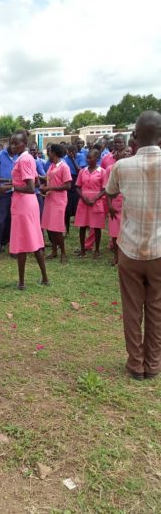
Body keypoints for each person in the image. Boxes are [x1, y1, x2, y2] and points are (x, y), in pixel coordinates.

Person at [106, 111, 161, 380]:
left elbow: (111, 192)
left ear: (135, 137)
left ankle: (135, 364)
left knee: (131, 309)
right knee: (156, 308)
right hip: (160, 250)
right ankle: (152, 365)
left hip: (129, 249)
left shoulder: (121, 166)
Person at [0, 130, 49, 290]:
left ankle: (22, 282)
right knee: (31, 239)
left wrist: (11, 186)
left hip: (24, 204)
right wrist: (10, 186)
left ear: (24, 144)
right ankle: (43, 278)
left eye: (16, 143)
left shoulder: (25, 160)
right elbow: (35, 183)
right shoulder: (26, 158)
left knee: (24, 241)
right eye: (11, 143)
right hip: (25, 203)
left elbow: (30, 187)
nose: (12, 146)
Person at [40, 144, 72, 263]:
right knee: (50, 227)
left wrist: (50, 188)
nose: (48, 154)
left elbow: (67, 185)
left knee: (57, 228)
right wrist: (40, 179)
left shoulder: (64, 167)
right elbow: (49, 179)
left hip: (59, 200)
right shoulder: (52, 166)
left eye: (49, 151)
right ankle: (54, 251)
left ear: (54, 153)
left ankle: (63, 253)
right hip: (49, 199)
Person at [74, 149, 106, 258]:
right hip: (84, 201)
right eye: (87, 157)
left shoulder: (102, 172)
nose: (88, 159)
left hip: (96, 202)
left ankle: (97, 250)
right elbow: (77, 187)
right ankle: (82, 249)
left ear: (97, 158)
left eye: (90, 157)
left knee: (96, 227)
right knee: (82, 226)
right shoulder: (83, 171)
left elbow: (105, 189)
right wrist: (83, 197)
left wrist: (95, 199)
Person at [64, 144, 82, 235]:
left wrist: (73, 159)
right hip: (68, 182)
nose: (71, 154)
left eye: (73, 152)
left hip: (77, 182)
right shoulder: (65, 159)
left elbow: (79, 170)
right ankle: (67, 229)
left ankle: (80, 227)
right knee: (67, 209)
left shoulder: (80, 157)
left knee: (77, 208)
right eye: (69, 152)